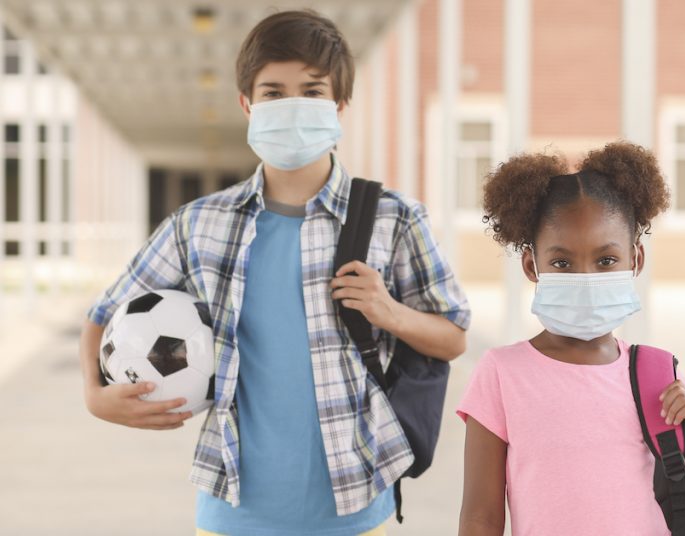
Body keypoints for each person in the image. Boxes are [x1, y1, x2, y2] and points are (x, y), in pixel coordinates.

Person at [77, 10, 471, 536]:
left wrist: (389, 312)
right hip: (231, 514)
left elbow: (452, 337)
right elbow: (103, 313)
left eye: (312, 91)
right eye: (273, 92)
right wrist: (94, 395)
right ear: (246, 105)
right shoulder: (197, 225)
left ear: (339, 106)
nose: (293, 106)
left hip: (357, 509)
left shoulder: (394, 218)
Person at [456, 142, 685, 535]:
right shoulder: (502, 373)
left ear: (636, 259)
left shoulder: (654, 374)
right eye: (562, 262)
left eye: (606, 260)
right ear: (532, 265)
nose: (586, 279)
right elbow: (481, 516)